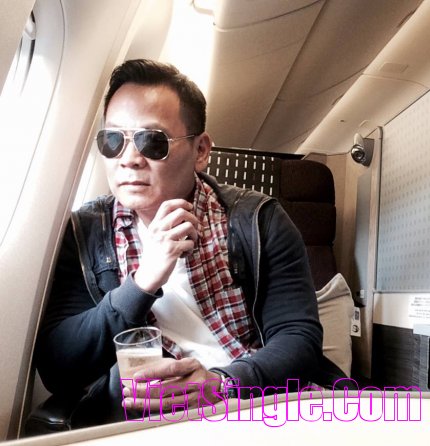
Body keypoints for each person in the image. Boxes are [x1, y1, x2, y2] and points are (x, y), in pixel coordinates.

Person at [34, 59, 324, 425]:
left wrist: (223, 384)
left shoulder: (257, 220)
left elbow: (298, 338)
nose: (129, 159)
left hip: (252, 403)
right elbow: (58, 368)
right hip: (147, 419)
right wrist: (141, 284)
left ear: (201, 150)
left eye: (152, 141)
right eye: (113, 141)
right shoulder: (86, 233)